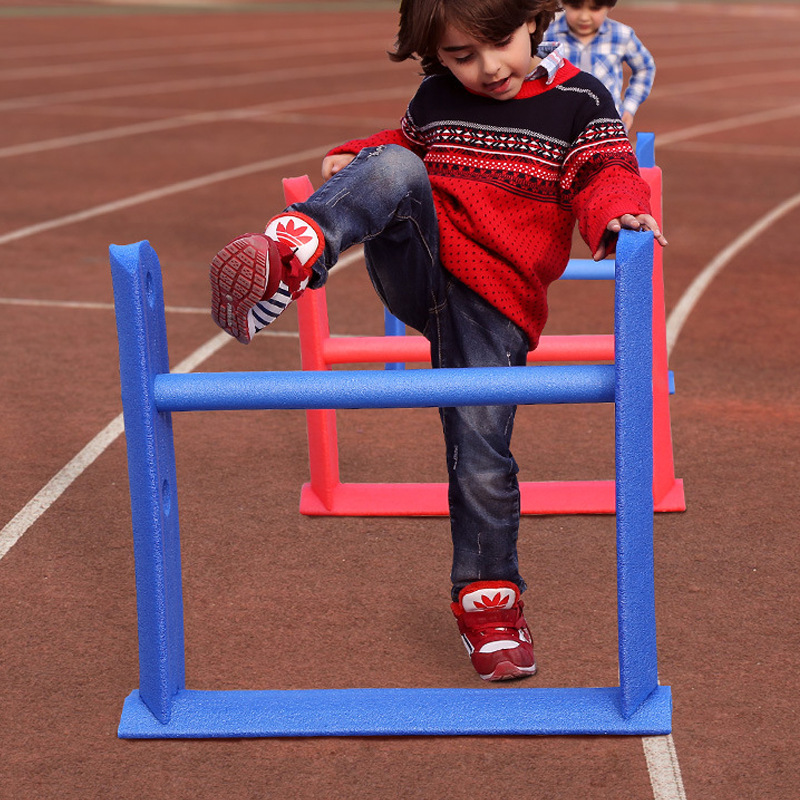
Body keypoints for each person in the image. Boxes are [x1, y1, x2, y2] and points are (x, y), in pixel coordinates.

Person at [209, 0, 666, 682]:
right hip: (424, 271)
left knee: (480, 456)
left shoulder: (579, 98)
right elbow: (404, 153)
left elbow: (604, 172)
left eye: (500, 44)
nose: (487, 69)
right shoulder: (434, 98)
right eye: (460, 57)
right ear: (436, 55)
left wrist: (619, 212)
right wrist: (360, 158)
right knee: (391, 168)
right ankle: (290, 252)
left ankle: (490, 609)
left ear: (533, 20)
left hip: (498, 305)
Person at [546, 0, 655, 130]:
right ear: (563, 3)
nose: (584, 17)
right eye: (576, 7)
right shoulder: (548, 35)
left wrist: (629, 108)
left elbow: (645, 67)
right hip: (560, 124)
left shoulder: (621, 35)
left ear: (609, 6)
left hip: (607, 125)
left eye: (594, 8)